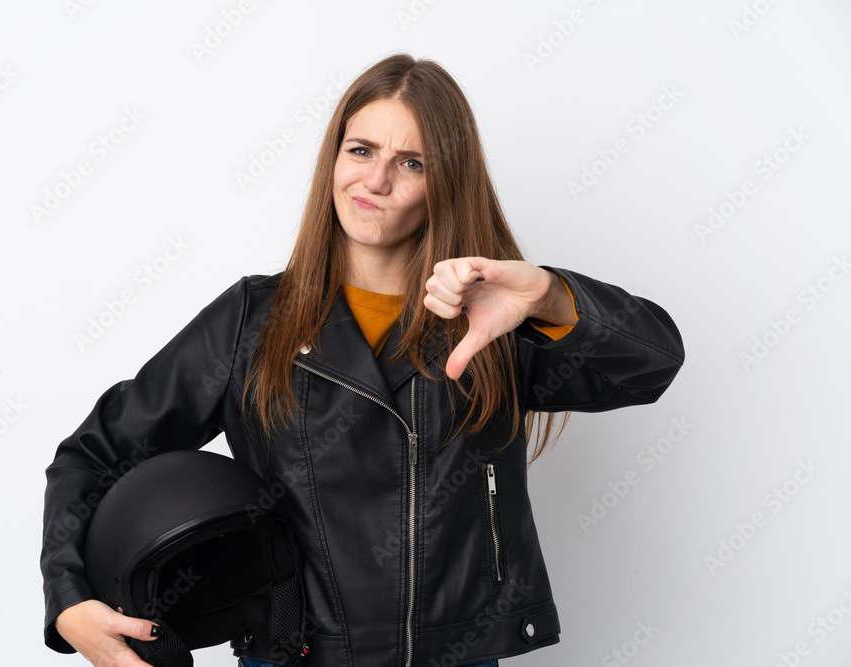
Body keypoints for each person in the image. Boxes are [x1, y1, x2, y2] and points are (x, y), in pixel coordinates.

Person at [40, 53, 685, 667]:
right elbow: (93, 454)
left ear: (445, 185)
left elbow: (653, 363)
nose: (376, 181)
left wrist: (547, 293)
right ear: (334, 160)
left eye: (412, 162)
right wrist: (69, 600)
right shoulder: (251, 320)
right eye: (361, 150)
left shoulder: (495, 318)